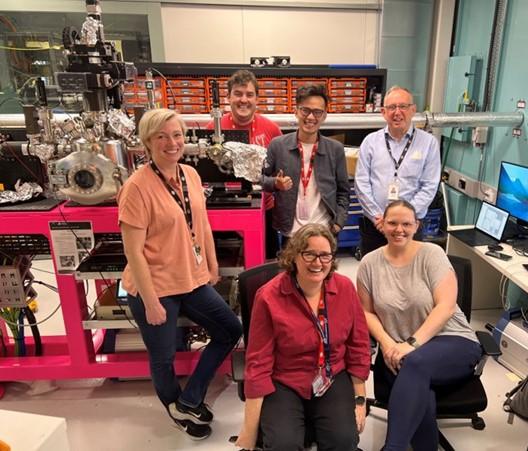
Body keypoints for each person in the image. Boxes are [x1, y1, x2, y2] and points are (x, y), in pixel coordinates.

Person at [118, 108, 243, 440]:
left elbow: (201, 223)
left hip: (190, 279)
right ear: (147, 142)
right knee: (164, 356)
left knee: (230, 329)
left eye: (177, 135)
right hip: (154, 286)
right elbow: (133, 251)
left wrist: (212, 265)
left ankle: (188, 399)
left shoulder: (190, 173)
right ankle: (174, 405)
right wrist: (150, 302)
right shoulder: (136, 188)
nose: (172, 143)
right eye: (162, 136)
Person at [356, 199, 482, 451]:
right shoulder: (369, 263)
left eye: (406, 223)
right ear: (381, 224)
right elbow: (366, 312)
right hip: (397, 349)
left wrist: (410, 345)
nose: (399, 229)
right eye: (392, 223)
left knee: (413, 363)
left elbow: (446, 306)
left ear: (417, 226)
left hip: (451, 340)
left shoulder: (432, 254)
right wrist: (389, 343)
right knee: (419, 385)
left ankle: (394, 447)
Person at [236, 223, 371, 451]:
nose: (318, 263)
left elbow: (358, 346)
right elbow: (258, 363)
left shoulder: (345, 289)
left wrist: (359, 400)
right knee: (283, 445)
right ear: (294, 256)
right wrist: (248, 433)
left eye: (325, 255)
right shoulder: (269, 296)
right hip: (285, 380)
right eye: (309, 254)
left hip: (331, 375)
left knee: (343, 441)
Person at [354, 86, 441, 257]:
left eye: (403, 106)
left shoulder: (429, 143)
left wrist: (403, 221)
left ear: (413, 110)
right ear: (383, 112)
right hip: (375, 226)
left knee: (409, 277)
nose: (397, 112)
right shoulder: (370, 142)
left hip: (411, 228)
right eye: (392, 107)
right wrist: (378, 218)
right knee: (372, 276)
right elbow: (361, 183)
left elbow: (429, 186)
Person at [206, 69, 282, 259]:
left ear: (257, 99)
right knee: (226, 262)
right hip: (223, 212)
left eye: (249, 94)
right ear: (228, 97)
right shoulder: (214, 129)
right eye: (238, 94)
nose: (243, 100)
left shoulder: (271, 130)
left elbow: (282, 171)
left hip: (265, 211)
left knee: (266, 263)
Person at [261, 84, 350, 246]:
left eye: (317, 112)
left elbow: (343, 192)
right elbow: (259, 179)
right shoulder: (278, 145)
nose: (310, 117)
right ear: (296, 111)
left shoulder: (335, 149)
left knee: (322, 271)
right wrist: (275, 183)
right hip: (291, 232)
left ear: (324, 116)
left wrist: (338, 224)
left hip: (324, 231)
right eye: (305, 110)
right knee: (290, 271)